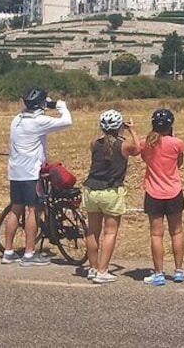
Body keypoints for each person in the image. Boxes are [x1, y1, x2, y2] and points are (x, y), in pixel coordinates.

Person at [2, 88, 72, 266]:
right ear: (41, 104)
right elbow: (67, 121)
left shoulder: (17, 119)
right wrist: (60, 106)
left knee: (15, 209)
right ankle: (29, 253)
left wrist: (42, 105)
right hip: (32, 173)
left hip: (15, 171)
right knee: (34, 210)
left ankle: (8, 251)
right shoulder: (39, 121)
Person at [82, 109, 140, 284]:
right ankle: (102, 270)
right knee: (110, 232)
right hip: (111, 191)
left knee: (92, 231)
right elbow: (138, 149)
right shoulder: (123, 145)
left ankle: (92, 268)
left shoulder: (94, 143)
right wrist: (132, 130)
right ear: (119, 126)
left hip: (91, 189)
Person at [140, 108, 184, 286]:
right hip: (174, 191)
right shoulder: (177, 143)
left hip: (153, 192)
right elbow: (179, 163)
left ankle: (159, 273)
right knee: (176, 231)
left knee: (156, 235)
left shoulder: (147, 144)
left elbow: (144, 158)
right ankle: (179, 271)